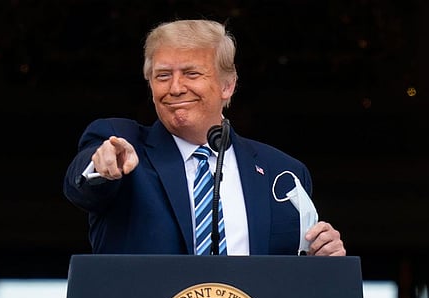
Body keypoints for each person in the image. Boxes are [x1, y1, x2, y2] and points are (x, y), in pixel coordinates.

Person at [63, 19, 346, 256]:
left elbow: (293, 278)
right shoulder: (121, 143)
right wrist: (101, 167)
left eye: (191, 73)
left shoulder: (281, 173)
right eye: (162, 76)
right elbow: (82, 187)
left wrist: (322, 256)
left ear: (227, 85)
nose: (175, 88)